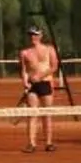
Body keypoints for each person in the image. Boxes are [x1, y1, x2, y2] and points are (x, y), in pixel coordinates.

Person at [17, 23, 60, 153]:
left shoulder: (49, 49)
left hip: (46, 84)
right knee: (32, 114)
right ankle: (31, 144)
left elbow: (54, 66)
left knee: (47, 114)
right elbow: (23, 70)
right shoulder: (24, 53)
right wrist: (25, 82)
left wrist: (41, 76)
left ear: (40, 35)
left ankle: (48, 143)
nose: (33, 37)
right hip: (32, 86)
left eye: (35, 34)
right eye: (31, 35)